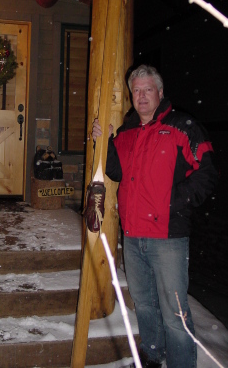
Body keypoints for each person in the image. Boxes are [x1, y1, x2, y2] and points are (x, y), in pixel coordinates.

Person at [92, 65, 218, 368]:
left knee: (174, 314)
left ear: (160, 93)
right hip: (133, 236)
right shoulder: (128, 131)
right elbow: (116, 170)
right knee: (145, 307)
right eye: (136, 90)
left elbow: (208, 173)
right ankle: (151, 357)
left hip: (168, 239)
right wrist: (104, 141)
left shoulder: (182, 126)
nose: (142, 95)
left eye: (148, 89)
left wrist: (171, 203)